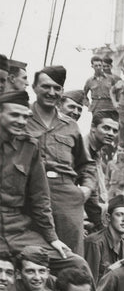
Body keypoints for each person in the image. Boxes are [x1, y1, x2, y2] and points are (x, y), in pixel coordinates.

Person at [0, 87, 80, 264]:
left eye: (25, 117)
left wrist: (52, 238)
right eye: (14, 115)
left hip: (18, 233)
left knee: (74, 263)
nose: (21, 121)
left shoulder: (29, 147)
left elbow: (40, 198)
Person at [26, 65, 96, 254]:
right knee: (31, 255)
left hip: (66, 196)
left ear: (62, 91)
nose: (51, 92)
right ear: (34, 87)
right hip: (28, 194)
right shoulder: (22, 118)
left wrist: (85, 191)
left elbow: (86, 165)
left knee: (71, 257)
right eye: (46, 87)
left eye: (57, 88)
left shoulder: (70, 125)